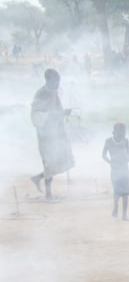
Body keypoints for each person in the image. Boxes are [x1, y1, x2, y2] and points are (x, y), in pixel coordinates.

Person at [30, 68, 75, 201]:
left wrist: (62, 114)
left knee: (60, 160)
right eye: (55, 81)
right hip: (46, 135)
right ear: (48, 80)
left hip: (56, 133)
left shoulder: (54, 93)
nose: (57, 84)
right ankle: (48, 195)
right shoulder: (41, 93)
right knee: (49, 162)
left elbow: (57, 111)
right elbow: (37, 114)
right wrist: (57, 114)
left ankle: (38, 178)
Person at [102, 122, 129, 220]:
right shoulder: (109, 141)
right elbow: (103, 155)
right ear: (114, 133)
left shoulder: (126, 141)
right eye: (120, 134)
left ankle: (124, 215)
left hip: (124, 168)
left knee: (126, 193)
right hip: (115, 168)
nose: (122, 136)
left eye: (123, 134)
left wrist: (127, 159)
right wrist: (110, 162)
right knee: (117, 191)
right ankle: (116, 206)